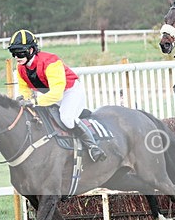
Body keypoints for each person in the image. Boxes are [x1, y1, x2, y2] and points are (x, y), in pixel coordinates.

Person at [8, 29, 106, 162]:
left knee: (66, 118)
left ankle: (93, 146)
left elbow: (57, 93)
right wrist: (24, 99)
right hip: (48, 96)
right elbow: (25, 91)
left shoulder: (51, 62)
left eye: (19, 52)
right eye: (13, 53)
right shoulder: (21, 68)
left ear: (31, 50)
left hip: (69, 91)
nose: (16, 57)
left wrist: (34, 101)